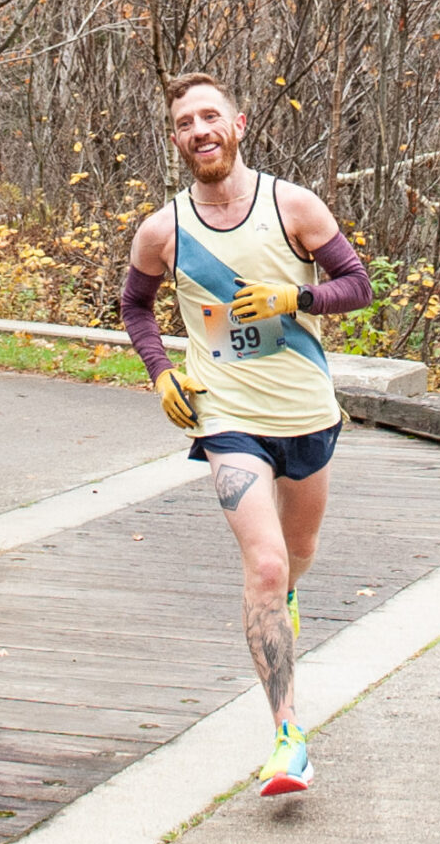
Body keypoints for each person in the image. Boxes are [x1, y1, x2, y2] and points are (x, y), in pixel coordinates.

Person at [119, 71, 373, 796]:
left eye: (210, 116)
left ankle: (281, 613)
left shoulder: (290, 204)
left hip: (305, 413)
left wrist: (295, 296)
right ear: (175, 141)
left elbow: (356, 285)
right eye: (184, 123)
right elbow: (136, 307)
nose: (199, 130)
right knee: (263, 567)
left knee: (294, 561)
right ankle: (288, 737)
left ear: (238, 124)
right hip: (227, 418)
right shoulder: (163, 227)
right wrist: (161, 372)